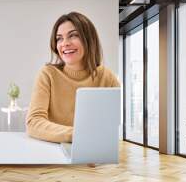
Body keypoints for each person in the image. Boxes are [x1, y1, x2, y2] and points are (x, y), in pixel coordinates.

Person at [26, 11, 120, 143]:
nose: (65, 43)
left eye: (73, 35)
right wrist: (76, 134)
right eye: (59, 38)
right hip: (53, 150)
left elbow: (113, 125)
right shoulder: (48, 74)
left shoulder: (107, 77)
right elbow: (33, 122)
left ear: (88, 39)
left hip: (92, 152)